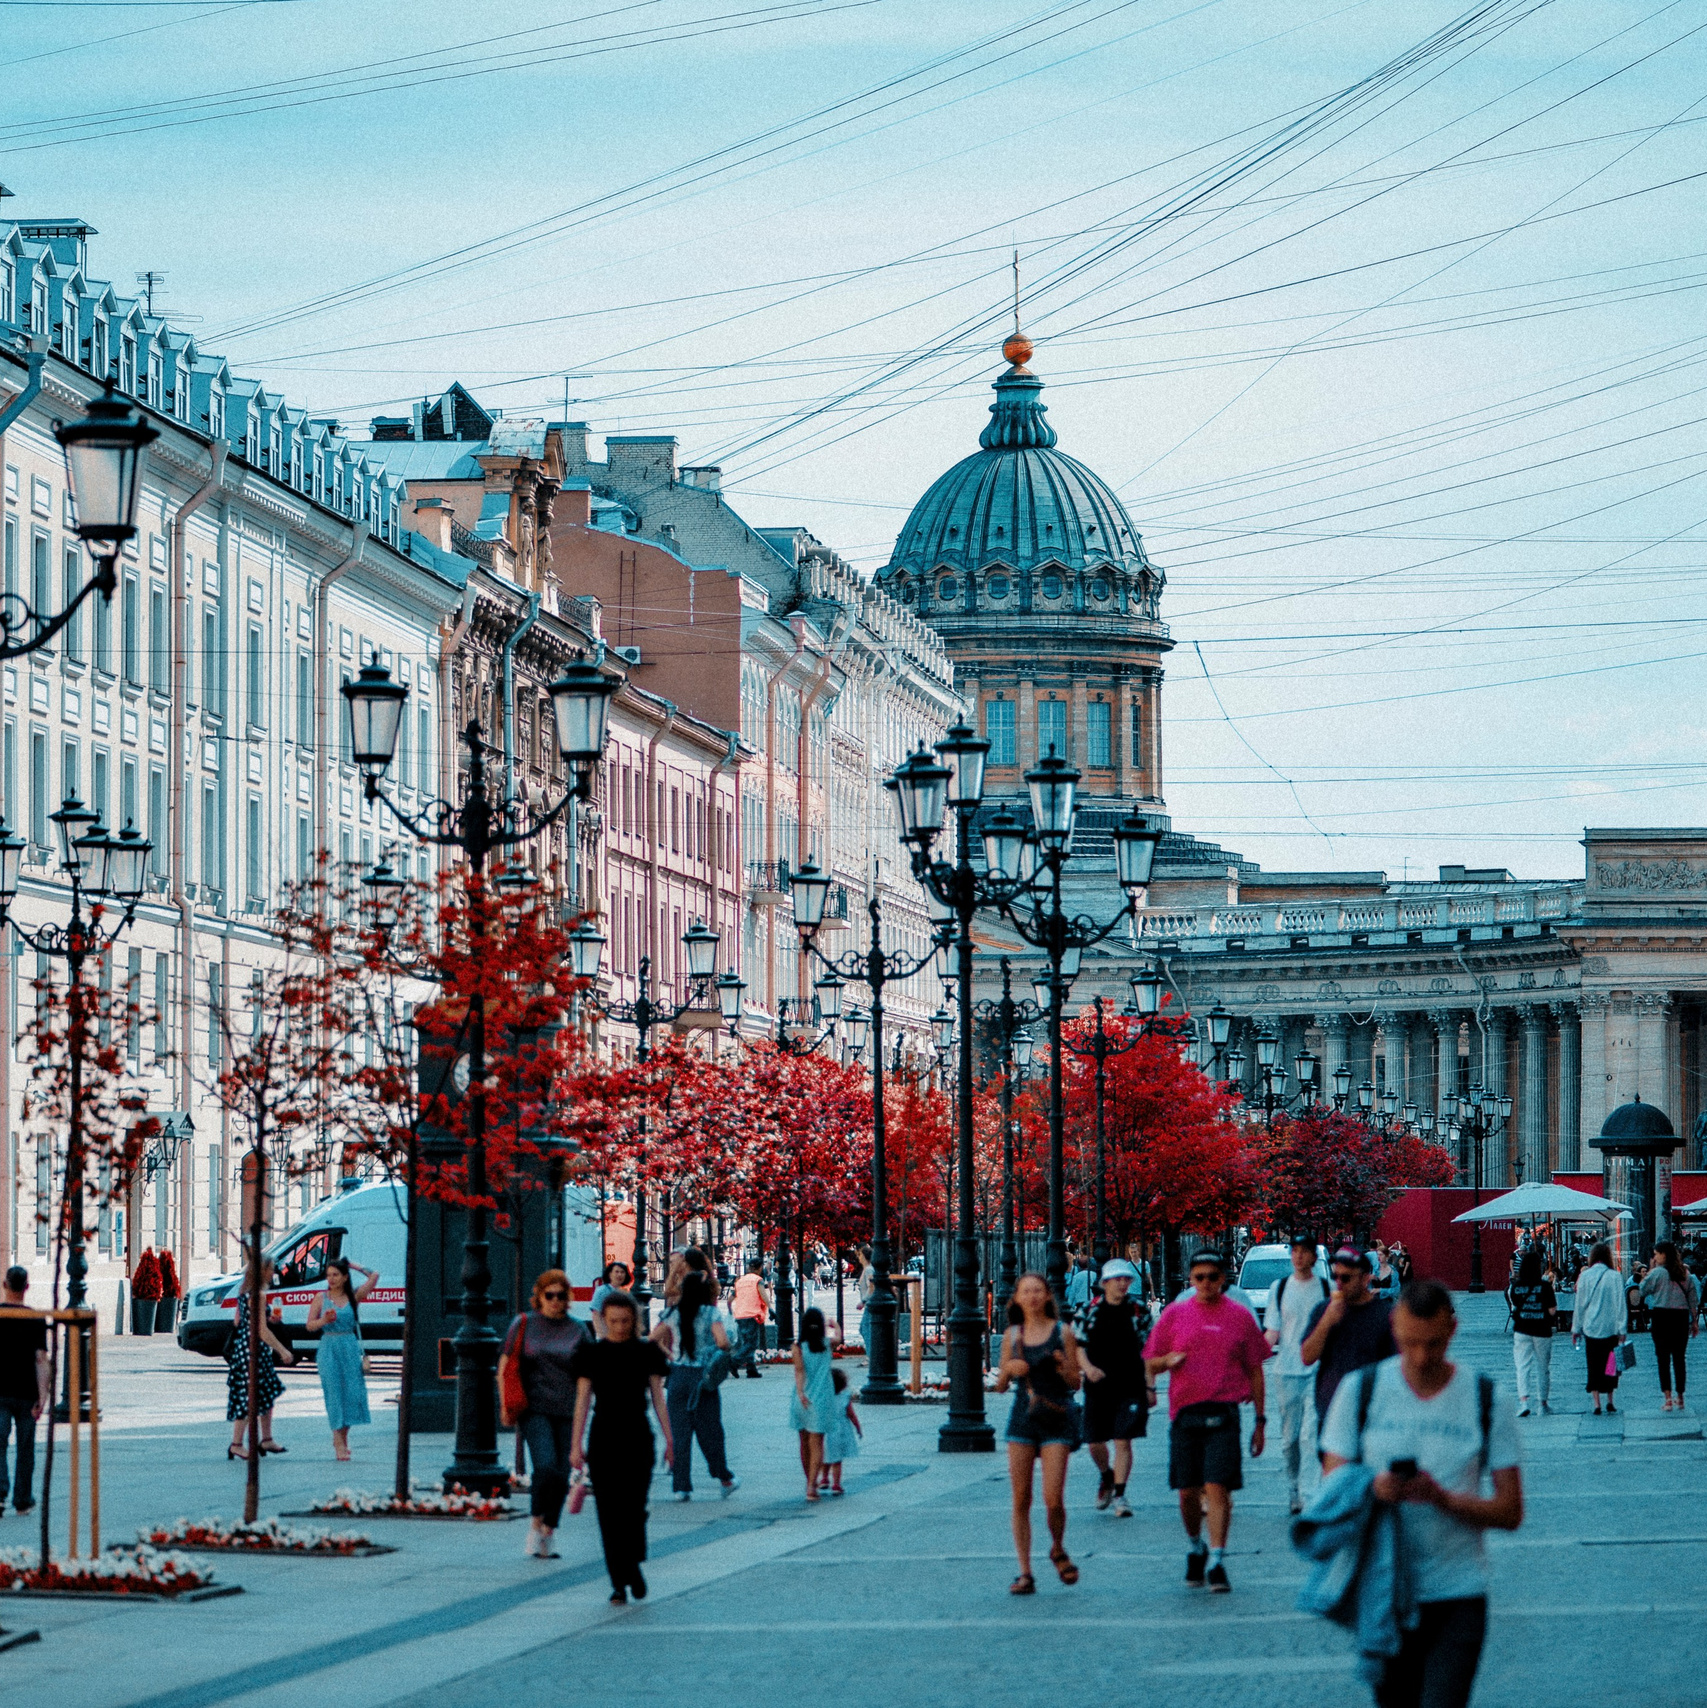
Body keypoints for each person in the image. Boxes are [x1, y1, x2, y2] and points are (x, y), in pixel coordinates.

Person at [1319, 1279, 1524, 1708]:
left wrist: (1442, 1498)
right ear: (1394, 1326)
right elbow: (1331, 1489)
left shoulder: (1487, 1399)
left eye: (1433, 1343)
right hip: (1384, 1591)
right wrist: (1374, 1486)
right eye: (1409, 1342)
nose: (1421, 1356)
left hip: (1458, 1593)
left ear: (1453, 1329)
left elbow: (1510, 1510)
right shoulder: (1361, 1391)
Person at [1144, 1249, 1271, 1593]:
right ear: (1190, 1280)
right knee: (1187, 1492)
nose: (1206, 1284)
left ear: (1223, 1280)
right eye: (1199, 1278)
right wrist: (1166, 1362)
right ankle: (1195, 1546)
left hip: (1224, 1411)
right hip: (1186, 1412)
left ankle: (1217, 1558)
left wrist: (1260, 1419)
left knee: (1217, 1485)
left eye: (1212, 1278)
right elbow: (1149, 1361)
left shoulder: (1239, 1317)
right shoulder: (1175, 1315)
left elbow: (1256, 1369)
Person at [568, 1290, 671, 1603]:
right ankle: (618, 1581)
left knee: (635, 1508)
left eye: (625, 1321)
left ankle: (633, 1564)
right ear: (603, 1320)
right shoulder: (592, 1354)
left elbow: (657, 1397)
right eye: (613, 1321)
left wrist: (670, 1438)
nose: (620, 1327)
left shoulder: (646, 1352)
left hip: (638, 1435)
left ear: (634, 1320)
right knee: (608, 1512)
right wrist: (576, 1444)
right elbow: (583, 1400)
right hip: (604, 1437)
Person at [996, 1272, 1083, 1593]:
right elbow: (1001, 1387)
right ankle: (1025, 1571)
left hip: (1055, 1417)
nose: (1031, 1296)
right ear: (1017, 1298)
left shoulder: (1063, 1332)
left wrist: (1062, 1366)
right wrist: (1008, 1370)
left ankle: (1057, 1547)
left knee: (1052, 1497)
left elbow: (1076, 1382)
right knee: (1020, 1497)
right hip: (1022, 1418)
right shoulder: (1012, 1335)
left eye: (1037, 1291)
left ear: (1048, 1296)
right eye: (1025, 1291)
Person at [500, 1268, 589, 1560]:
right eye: (548, 1295)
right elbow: (504, 1366)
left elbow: (589, 1375)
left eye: (560, 1296)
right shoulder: (523, 1323)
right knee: (546, 1465)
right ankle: (536, 1521)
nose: (554, 1301)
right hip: (534, 1408)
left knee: (562, 1473)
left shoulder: (578, 1330)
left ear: (567, 1299)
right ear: (539, 1296)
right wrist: (505, 1405)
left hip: (567, 1410)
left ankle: (548, 1529)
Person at [653, 1270, 739, 1501]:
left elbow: (652, 1339)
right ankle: (724, 1478)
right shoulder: (711, 1313)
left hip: (678, 1376)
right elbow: (722, 1342)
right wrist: (726, 1347)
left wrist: (670, 1355)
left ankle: (682, 1486)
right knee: (710, 1431)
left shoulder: (671, 1313)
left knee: (680, 1433)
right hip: (703, 1378)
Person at [1267, 1235, 1331, 1514]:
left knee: (1311, 1434)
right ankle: (1293, 1486)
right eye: (1295, 1251)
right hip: (1287, 1371)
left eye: (1304, 1252)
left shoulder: (1327, 1289)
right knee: (1290, 1437)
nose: (1299, 1257)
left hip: (1317, 1370)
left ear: (1314, 1258)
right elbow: (1272, 1331)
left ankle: (1310, 1492)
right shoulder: (1279, 1288)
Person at [1080, 1258, 1148, 1519]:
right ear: (1105, 1283)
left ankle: (1120, 1493)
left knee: (1123, 1438)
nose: (1122, 1283)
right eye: (1116, 1279)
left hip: (1129, 1382)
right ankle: (1106, 1475)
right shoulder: (1089, 1310)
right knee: (1095, 1441)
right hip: (1098, 1384)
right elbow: (1078, 1344)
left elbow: (1148, 1348)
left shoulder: (1138, 1310)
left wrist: (1149, 1383)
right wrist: (1087, 1368)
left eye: (1126, 1279)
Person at [1301, 1246, 1396, 1429]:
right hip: (1331, 1409)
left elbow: (1397, 1366)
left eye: (1345, 1278)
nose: (1338, 1283)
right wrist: (1327, 1321)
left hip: (1372, 1413)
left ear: (1364, 1279)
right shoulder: (1324, 1310)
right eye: (1335, 1277)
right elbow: (1307, 1356)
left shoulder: (1385, 1315)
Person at [306, 1256, 375, 1460]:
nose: (331, 1279)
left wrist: (354, 1265)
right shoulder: (321, 1297)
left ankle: (343, 1437)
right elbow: (309, 1325)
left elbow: (374, 1276)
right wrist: (323, 1320)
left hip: (349, 1346)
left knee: (352, 1395)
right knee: (334, 1393)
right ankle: (338, 1441)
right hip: (329, 1346)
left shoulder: (354, 1296)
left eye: (336, 1274)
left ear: (345, 1277)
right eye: (329, 1275)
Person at [226, 1256, 294, 1460]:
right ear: (262, 1272)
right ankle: (237, 1444)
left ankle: (266, 1439)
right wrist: (283, 1350)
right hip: (254, 1351)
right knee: (251, 1396)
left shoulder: (244, 1292)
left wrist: (267, 1317)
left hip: (245, 1348)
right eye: (271, 1270)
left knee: (266, 1392)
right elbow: (261, 1331)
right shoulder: (259, 1295)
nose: (273, 1274)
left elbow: (238, 1322)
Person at [0, 1266, 48, 1514]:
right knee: (25, 1447)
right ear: (26, 1287)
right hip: (27, 1392)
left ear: (5, 1285)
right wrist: (43, 1395)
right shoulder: (35, 1318)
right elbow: (41, 1359)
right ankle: (22, 1499)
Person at [1640, 1241, 1700, 1411]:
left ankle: (1667, 1397)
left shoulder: (1657, 1273)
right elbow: (1692, 1300)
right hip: (1680, 1318)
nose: (1654, 1257)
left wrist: (1650, 1270)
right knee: (1680, 1358)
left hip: (1662, 1316)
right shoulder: (1684, 1273)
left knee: (1663, 1358)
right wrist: (1694, 1321)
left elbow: (1642, 1290)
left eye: (1656, 1254)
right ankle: (1680, 1396)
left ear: (1663, 1255)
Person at [790, 1306, 841, 1502]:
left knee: (804, 1443)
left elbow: (799, 1371)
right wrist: (833, 1323)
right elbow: (838, 1336)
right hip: (822, 1399)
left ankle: (808, 1481)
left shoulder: (798, 1347)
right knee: (817, 1442)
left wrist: (801, 1393)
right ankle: (813, 1484)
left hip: (802, 1398)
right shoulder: (827, 1344)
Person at [1571, 1242, 1627, 1416]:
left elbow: (1579, 1305)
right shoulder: (1615, 1276)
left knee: (1593, 1365)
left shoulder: (1585, 1276)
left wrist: (1576, 1328)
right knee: (1611, 1364)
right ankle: (1610, 1400)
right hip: (1610, 1328)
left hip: (1591, 1328)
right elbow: (1620, 1304)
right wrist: (1622, 1329)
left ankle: (1597, 1403)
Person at [1506, 1246, 1557, 1417]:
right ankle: (1543, 1403)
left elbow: (1515, 1306)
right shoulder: (1545, 1286)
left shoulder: (1516, 1287)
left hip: (1522, 1329)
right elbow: (1552, 1311)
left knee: (1522, 1367)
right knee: (1543, 1367)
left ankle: (1524, 1402)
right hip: (1542, 1330)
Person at [818, 1365, 862, 1495]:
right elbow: (851, 1414)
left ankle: (824, 1479)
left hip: (825, 1430)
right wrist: (858, 1427)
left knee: (826, 1457)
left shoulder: (823, 1397)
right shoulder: (845, 1396)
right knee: (837, 1460)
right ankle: (836, 1484)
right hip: (840, 1431)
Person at [730, 1259, 770, 1379]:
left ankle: (751, 1369)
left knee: (747, 1342)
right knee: (752, 1344)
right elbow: (763, 1294)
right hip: (752, 1314)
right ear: (759, 1268)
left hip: (740, 1314)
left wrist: (729, 1309)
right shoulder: (758, 1280)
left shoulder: (740, 1281)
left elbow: (730, 1298)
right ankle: (734, 1363)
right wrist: (770, 1308)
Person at [590, 1262, 632, 1338]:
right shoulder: (602, 1291)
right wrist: (603, 1336)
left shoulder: (623, 1293)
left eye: (622, 1272)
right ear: (610, 1274)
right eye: (616, 1272)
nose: (619, 1275)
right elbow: (596, 1315)